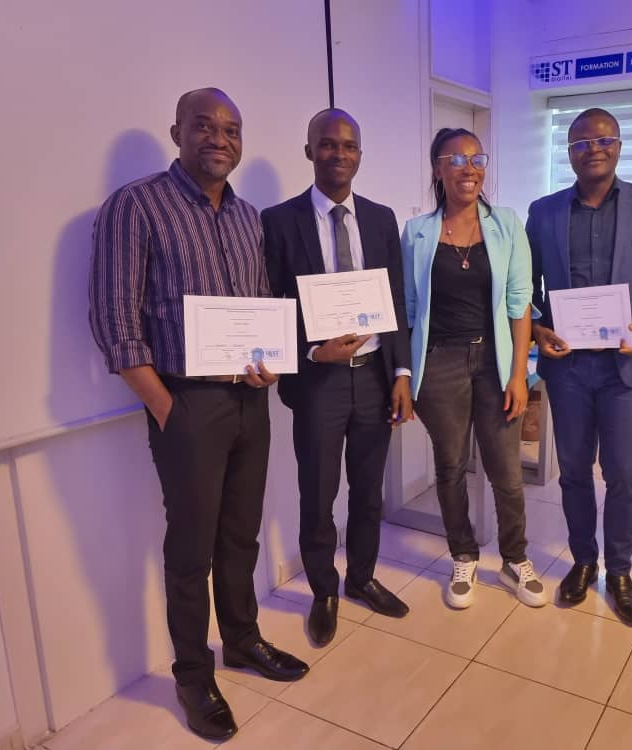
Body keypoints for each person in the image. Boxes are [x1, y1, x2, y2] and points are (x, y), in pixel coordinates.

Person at [89, 88, 309, 742]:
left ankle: (242, 639)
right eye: (205, 126)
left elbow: (259, 304)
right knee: (190, 551)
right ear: (177, 132)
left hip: (250, 401)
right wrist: (166, 407)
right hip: (187, 403)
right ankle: (192, 675)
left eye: (231, 129)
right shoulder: (135, 206)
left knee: (241, 535)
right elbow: (115, 322)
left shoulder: (247, 216)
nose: (220, 139)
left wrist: (272, 360)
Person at [526, 108, 632, 625]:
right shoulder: (543, 212)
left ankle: (619, 571)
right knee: (573, 472)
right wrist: (538, 327)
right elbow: (524, 287)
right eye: (580, 142)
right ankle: (582, 562)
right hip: (568, 369)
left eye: (603, 140)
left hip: (625, 367)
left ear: (618, 145)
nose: (592, 149)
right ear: (568, 151)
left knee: (622, 473)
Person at [262, 109, 413, 647]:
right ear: (309, 151)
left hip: (374, 378)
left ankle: (362, 577)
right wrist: (310, 351)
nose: (339, 154)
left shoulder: (380, 218)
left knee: (369, 490)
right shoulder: (279, 220)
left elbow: (396, 298)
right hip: (318, 382)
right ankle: (324, 590)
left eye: (349, 146)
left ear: (360, 155)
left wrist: (401, 371)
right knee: (319, 493)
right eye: (327, 144)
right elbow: (272, 302)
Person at [402, 127, 546, 609]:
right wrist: (404, 373)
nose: (470, 168)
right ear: (438, 170)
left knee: (506, 470)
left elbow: (519, 303)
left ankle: (514, 559)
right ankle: (462, 554)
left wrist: (519, 375)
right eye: (457, 159)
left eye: (477, 158)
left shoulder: (506, 223)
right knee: (450, 466)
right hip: (439, 363)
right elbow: (409, 308)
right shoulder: (416, 232)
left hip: (494, 361)